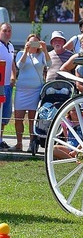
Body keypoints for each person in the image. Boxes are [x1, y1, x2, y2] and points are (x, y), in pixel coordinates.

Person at [12, 33, 50, 151]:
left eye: (36, 43)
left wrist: (45, 49)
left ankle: (31, 144)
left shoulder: (41, 54)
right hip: (22, 90)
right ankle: (19, 143)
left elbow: (49, 64)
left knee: (32, 120)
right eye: (31, 42)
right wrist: (26, 51)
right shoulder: (20, 54)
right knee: (18, 118)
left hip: (35, 90)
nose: (34, 45)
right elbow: (20, 65)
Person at [0, 22, 15, 150]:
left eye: (9, 31)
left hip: (7, 85)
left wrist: (13, 76)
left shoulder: (10, 46)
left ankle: (0, 139)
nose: (7, 33)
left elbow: (12, 63)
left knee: (4, 115)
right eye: (5, 30)